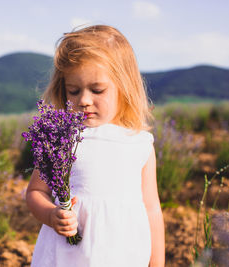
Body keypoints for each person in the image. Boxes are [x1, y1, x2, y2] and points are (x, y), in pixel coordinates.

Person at [26, 24, 165, 267]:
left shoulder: (139, 142)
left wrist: (157, 263)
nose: (84, 100)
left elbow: (152, 209)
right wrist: (50, 215)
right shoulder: (61, 139)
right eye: (74, 90)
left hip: (123, 254)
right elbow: (35, 192)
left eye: (97, 90)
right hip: (67, 256)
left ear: (124, 87)